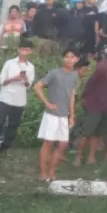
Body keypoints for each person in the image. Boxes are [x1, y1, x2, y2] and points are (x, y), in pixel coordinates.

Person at [74, 48, 107, 165]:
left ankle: (91, 156)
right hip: (94, 104)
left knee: (97, 133)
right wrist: (86, 97)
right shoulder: (104, 67)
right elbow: (91, 82)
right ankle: (78, 156)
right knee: (86, 131)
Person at [33, 49, 80, 181]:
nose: (69, 60)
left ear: (76, 59)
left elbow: (72, 96)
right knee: (48, 143)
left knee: (63, 144)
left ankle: (52, 171)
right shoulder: (54, 73)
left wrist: (72, 114)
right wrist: (47, 102)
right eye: (66, 57)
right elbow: (37, 86)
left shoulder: (75, 75)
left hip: (64, 115)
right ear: (63, 59)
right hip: (52, 114)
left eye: (72, 57)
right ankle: (43, 173)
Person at [0, 39, 36, 155]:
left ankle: (4, 149)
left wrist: (25, 80)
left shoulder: (31, 67)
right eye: (22, 49)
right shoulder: (9, 63)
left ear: (30, 52)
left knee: (13, 125)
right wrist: (14, 78)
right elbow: (1, 81)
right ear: (18, 50)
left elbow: (28, 86)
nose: (24, 52)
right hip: (6, 97)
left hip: (19, 100)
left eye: (27, 50)